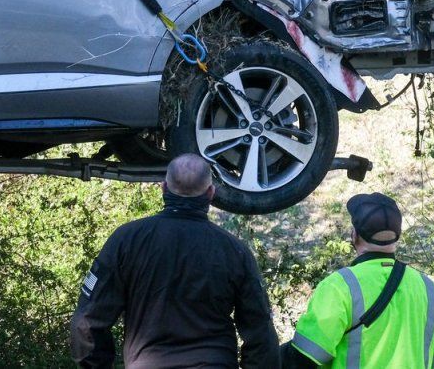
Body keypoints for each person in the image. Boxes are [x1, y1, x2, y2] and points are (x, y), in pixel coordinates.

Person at [70, 153, 279, 368]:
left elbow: (87, 321)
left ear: (163, 189)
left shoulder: (126, 240)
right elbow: (260, 331)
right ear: (210, 193)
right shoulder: (235, 251)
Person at [282, 192, 434, 368]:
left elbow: (304, 358)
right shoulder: (429, 289)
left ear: (354, 235)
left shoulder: (339, 286)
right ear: (397, 235)